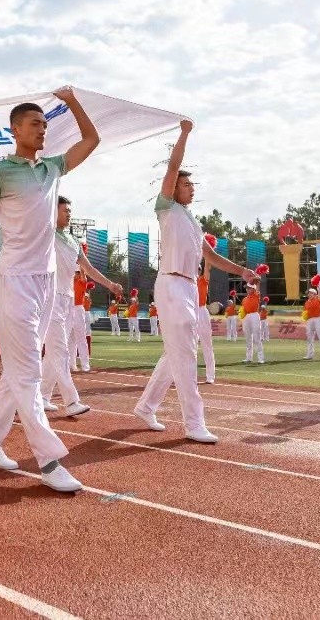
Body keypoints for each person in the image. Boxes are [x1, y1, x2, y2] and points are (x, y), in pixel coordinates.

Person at [0, 87, 99, 493]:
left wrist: (72, 100)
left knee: (18, 370)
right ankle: (49, 460)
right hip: (14, 280)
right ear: (15, 130)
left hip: (47, 280)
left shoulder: (51, 169)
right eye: (35, 124)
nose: (43, 130)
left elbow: (91, 140)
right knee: (27, 371)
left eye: (45, 125)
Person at [135, 120, 254, 441]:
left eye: (192, 185)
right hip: (171, 284)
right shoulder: (166, 208)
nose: (192, 188)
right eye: (186, 185)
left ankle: (146, 406)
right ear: (172, 188)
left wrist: (241, 270)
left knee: (176, 352)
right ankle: (194, 423)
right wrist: (184, 134)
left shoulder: (192, 221)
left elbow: (211, 257)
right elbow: (173, 166)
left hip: (188, 286)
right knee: (186, 352)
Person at [42, 195, 122, 415]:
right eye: (64, 209)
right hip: (50, 298)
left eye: (70, 209)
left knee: (54, 352)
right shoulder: (46, 234)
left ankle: (41, 396)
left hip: (68, 299)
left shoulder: (72, 241)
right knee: (60, 351)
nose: (69, 213)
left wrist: (110, 285)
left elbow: (90, 269)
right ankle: (71, 401)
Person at [303, 288, 320, 360]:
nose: (309, 294)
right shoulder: (306, 302)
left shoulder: (318, 299)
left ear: (315, 294)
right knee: (309, 337)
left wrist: (318, 286)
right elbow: (305, 312)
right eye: (308, 293)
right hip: (309, 320)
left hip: (318, 319)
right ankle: (309, 355)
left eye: (311, 293)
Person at [241, 282, 263, 364]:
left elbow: (257, 287)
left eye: (249, 288)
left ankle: (260, 358)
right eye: (246, 288)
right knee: (248, 337)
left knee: (257, 337)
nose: (247, 289)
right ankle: (248, 357)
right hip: (246, 316)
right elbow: (243, 309)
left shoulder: (256, 295)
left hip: (254, 315)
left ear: (253, 289)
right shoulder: (244, 299)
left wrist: (257, 281)